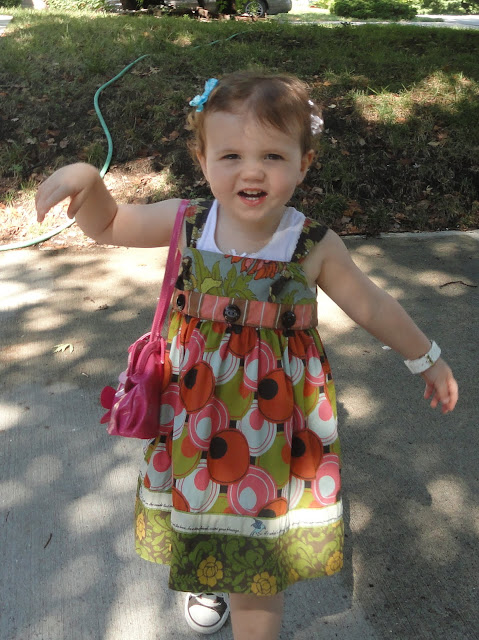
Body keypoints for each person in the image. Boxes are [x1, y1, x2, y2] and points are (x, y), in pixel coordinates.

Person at [36, 71, 458, 640]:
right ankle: (209, 574)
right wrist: (88, 180)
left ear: (304, 164)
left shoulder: (312, 245)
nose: (252, 171)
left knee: (257, 539)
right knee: (203, 499)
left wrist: (425, 357)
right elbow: (109, 224)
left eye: (273, 156)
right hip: (195, 406)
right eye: (231, 155)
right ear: (203, 159)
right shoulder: (187, 222)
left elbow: (373, 306)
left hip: (273, 419)